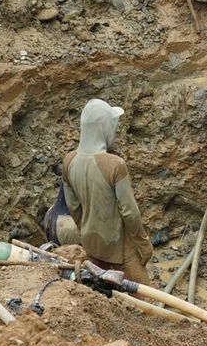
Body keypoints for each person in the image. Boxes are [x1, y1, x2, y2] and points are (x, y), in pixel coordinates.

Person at [61, 99, 153, 287]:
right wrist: (143, 244)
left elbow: (73, 207)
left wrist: (86, 232)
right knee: (146, 297)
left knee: (104, 291)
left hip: (91, 245)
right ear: (104, 128)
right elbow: (129, 211)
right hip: (120, 247)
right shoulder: (114, 165)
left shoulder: (69, 162)